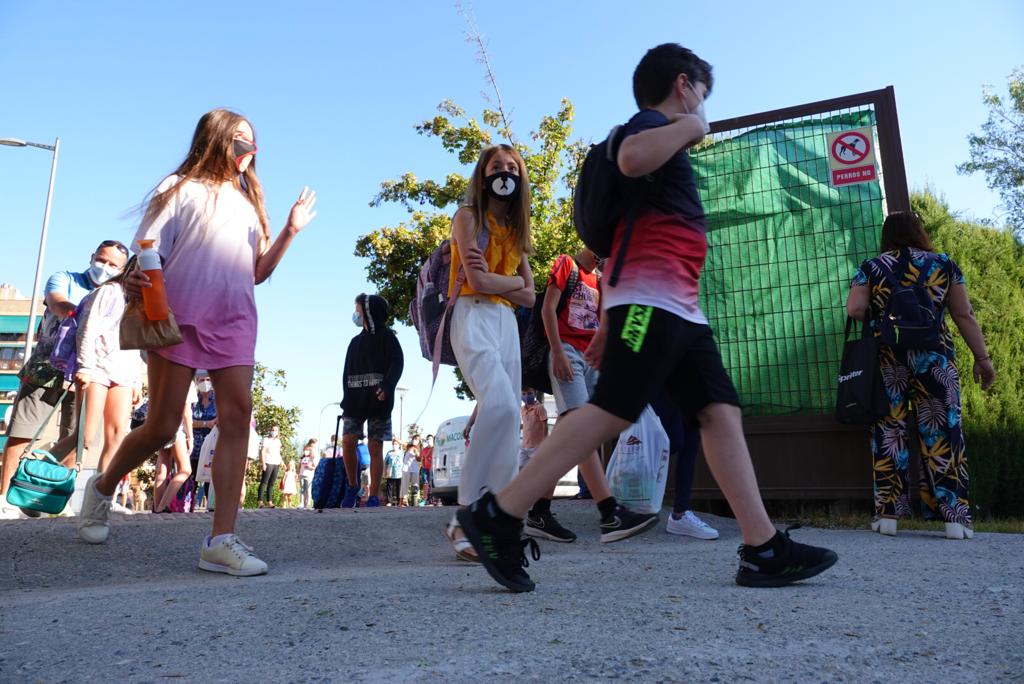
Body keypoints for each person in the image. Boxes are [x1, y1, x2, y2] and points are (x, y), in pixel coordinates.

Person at [457, 44, 838, 592]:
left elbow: (622, 240)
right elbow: (632, 158)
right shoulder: (650, 125)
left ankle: (762, 547)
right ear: (683, 85)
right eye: (700, 95)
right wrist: (693, 127)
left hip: (678, 303)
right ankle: (499, 515)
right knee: (613, 406)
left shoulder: (662, 139)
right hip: (653, 300)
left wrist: (609, 320)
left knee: (719, 409)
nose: (702, 106)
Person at [76, 108, 317, 577]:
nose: (250, 150)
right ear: (216, 140)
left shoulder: (250, 205)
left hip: (235, 321)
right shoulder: (179, 188)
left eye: (253, 142)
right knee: (164, 426)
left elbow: (258, 272)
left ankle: (220, 540)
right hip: (177, 319)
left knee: (238, 415)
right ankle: (102, 487)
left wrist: (290, 230)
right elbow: (148, 248)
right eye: (240, 140)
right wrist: (140, 288)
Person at [846, 211, 995, 539]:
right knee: (943, 431)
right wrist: (982, 358)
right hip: (935, 357)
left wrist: (883, 314)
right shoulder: (944, 264)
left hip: (887, 356)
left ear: (887, 236)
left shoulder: (871, 268)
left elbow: (855, 309)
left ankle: (888, 516)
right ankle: (954, 519)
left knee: (890, 428)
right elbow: (963, 313)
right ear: (920, 233)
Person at [443, 144, 536, 562]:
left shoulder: (517, 232)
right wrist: (512, 285)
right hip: (472, 314)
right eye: (496, 166)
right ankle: (465, 516)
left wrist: (510, 287)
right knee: (497, 405)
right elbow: (478, 282)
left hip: (506, 325)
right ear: (483, 176)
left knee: (509, 413)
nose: (505, 172)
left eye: (512, 167)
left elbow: (532, 297)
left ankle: (495, 513)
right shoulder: (467, 218)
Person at [528, 248, 658, 544]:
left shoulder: (601, 279)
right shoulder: (566, 264)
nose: (604, 254)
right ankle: (609, 513)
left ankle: (539, 510)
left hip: (591, 360)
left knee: (569, 436)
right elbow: (548, 309)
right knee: (581, 429)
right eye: (601, 248)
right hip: (567, 354)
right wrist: (558, 351)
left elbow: (605, 325)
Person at [0, 240, 129, 519]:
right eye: (101, 260)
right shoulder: (64, 278)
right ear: (92, 256)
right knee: (23, 432)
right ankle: (7, 496)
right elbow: (57, 302)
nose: (104, 267)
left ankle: (53, 495)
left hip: (88, 372)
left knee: (79, 437)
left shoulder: (119, 295)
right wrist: (88, 310)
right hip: (47, 369)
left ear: (122, 270)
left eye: (113, 265)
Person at [339, 293, 404, 508]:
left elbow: (397, 362)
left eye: (358, 311)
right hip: (354, 401)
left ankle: (374, 495)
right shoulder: (354, 342)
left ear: (368, 313)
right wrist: (345, 398)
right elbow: (346, 372)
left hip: (379, 401)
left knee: (375, 447)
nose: (356, 315)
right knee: (348, 441)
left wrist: (387, 386)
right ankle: (352, 486)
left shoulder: (388, 338)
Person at [650, 392, 719, 540]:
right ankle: (628, 498)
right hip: (660, 379)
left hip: (689, 382)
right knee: (673, 440)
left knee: (691, 440)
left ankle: (680, 513)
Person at [152, 387, 195, 513]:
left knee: (163, 468)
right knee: (185, 470)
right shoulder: (187, 380)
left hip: (159, 425)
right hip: (176, 428)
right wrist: (190, 437)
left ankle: (157, 507)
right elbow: (186, 410)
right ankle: (162, 506)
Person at [189, 371, 217, 510]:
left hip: (211, 444)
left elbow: (220, 419)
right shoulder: (193, 400)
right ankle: (188, 506)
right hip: (194, 444)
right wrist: (206, 423)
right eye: (201, 379)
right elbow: (187, 421)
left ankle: (210, 506)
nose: (204, 382)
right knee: (191, 475)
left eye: (207, 379)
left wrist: (212, 423)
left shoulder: (218, 399)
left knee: (210, 476)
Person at [258, 425, 283, 508]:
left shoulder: (278, 441)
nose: (274, 431)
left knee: (271, 483)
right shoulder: (266, 439)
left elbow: (278, 453)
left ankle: (270, 502)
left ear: (278, 432)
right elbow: (262, 451)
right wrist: (263, 463)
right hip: (268, 462)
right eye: (272, 430)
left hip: (276, 463)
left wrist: (282, 462)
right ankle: (260, 501)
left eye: (276, 430)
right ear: (270, 430)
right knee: (264, 482)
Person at [384, 439, 404, 506]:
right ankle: (389, 501)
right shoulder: (389, 453)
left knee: (399, 488)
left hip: (400, 473)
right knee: (389, 487)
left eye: (396, 444)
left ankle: (399, 501)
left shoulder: (402, 452)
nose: (394, 445)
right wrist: (384, 471)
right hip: (390, 472)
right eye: (393, 444)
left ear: (399, 445)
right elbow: (385, 462)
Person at [298, 438, 317, 509]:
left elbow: (314, 467)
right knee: (302, 489)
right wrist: (298, 473)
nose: (306, 451)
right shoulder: (302, 458)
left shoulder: (312, 459)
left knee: (308, 489)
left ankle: (308, 504)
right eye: (305, 450)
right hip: (301, 474)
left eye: (307, 450)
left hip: (308, 475)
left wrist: (310, 466)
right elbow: (299, 466)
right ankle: (302, 503)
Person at [419, 434, 434, 506]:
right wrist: (422, 466)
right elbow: (422, 458)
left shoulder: (435, 448)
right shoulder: (424, 449)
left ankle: (433, 499)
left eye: (431, 439)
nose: (429, 440)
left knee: (432, 484)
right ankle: (425, 499)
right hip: (425, 468)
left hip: (432, 468)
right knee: (425, 484)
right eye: (428, 439)